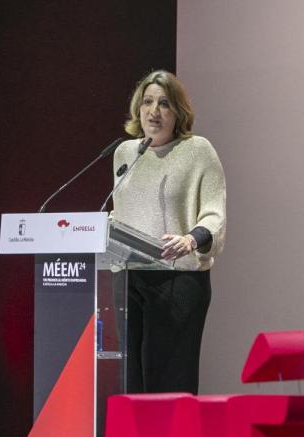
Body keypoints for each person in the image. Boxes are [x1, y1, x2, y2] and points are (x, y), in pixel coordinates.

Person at [110, 70, 226, 395]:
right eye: (147, 102)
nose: (153, 111)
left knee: (168, 381)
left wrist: (190, 239)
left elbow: (215, 215)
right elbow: (120, 213)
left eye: (163, 103)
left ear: (178, 112)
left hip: (178, 279)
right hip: (128, 278)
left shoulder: (198, 151)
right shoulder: (124, 154)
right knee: (129, 379)